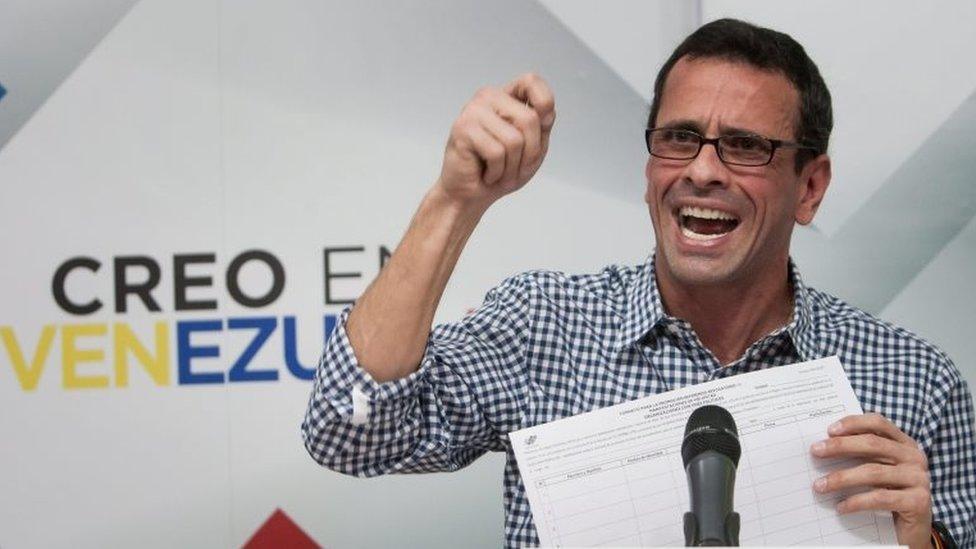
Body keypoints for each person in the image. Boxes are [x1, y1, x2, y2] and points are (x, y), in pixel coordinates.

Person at [302, 18, 975, 548]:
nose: (703, 171)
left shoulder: (914, 381)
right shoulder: (546, 326)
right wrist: (455, 199)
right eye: (679, 137)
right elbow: (349, 429)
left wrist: (921, 543)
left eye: (744, 146)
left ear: (811, 186)